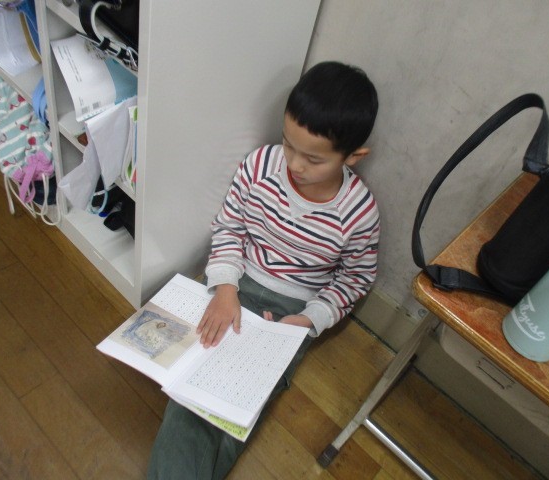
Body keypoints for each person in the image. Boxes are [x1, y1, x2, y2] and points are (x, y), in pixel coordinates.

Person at [147, 60, 380, 479]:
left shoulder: (358, 212)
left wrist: (307, 321)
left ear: (353, 157)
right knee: (192, 392)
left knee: (237, 403)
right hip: (236, 281)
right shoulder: (260, 166)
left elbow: (355, 278)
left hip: (290, 311)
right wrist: (225, 287)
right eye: (288, 144)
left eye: (313, 159)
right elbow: (229, 226)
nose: (295, 165)